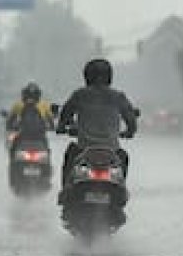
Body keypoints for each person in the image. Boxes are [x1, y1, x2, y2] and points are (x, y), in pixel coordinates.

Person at [55, 59, 138, 194]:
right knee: (123, 157)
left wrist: (61, 127)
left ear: (87, 76)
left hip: (83, 149)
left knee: (70, 156)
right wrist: (130, 131)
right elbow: (130, 119)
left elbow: (65, 113)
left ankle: (65, 191)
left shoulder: (80, 95)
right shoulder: (118, 97)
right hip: (112, 150)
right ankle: (121, 191)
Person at [5, 82, 54, 151]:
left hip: (23, 134)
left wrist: (11, 126)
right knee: (46, 148)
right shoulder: (44, 105)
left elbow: (10, 120)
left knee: (13, 148)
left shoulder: (18, 105)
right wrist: (51, 127)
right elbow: (51, 120)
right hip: (39, 135)